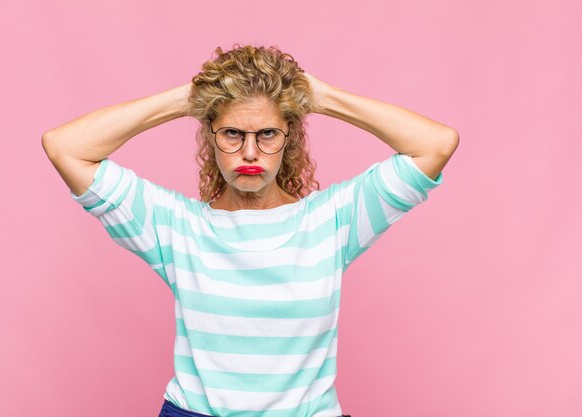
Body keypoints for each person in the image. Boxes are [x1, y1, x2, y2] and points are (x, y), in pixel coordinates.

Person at [42, 44, 458, 417]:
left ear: (289, 137)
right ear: (210, 135)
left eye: (268, 134)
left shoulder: (333, 220)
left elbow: (436, 143)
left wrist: (323, 98)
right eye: (232, 133)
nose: (250, 152)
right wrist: (191, 98)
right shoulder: (175, 226)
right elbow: (66, 147)